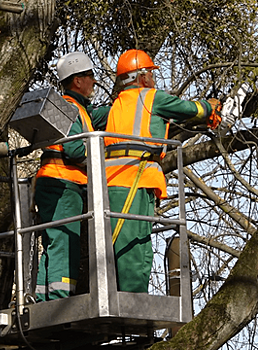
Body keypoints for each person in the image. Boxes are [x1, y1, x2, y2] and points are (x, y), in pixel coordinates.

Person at [104, 49, 222, 293]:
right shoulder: (152, 98)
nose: (154, 79)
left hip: (112, 181)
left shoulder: (117, 106)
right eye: (151, 74)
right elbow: (191, 110)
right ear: (143, 76)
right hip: (135, 179)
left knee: (118, 241)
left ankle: (122, 296)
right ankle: (134, 302)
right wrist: (210, 108)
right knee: (135, 244)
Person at [35, 52, 109, 301]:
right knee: (65, 243)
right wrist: (102, 157)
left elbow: (99, 117)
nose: (95, 82)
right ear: (77, 80)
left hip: (54, 182)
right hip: (63, 183)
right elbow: (75, 149)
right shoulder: (71, 108)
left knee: (55, 242)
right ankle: (58, 301)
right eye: (91, 76)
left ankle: (45, 297)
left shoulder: (75, 108)